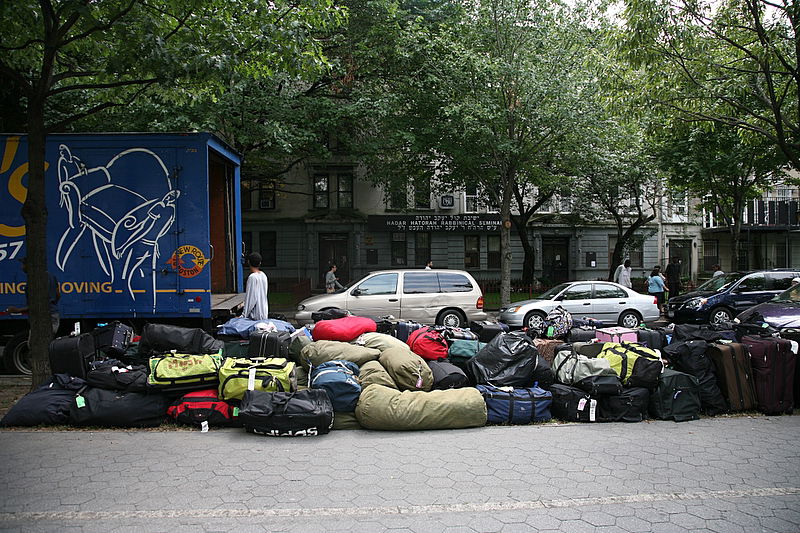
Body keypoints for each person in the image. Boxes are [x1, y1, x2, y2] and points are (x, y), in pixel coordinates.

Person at [6, 257, 61, 334]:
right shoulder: (51, 276)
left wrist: (17, 310)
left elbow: (37, 305)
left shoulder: (34, 280)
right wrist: (51, 304)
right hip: (53, 314)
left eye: (24, 264)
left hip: (42, 318)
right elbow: (58, 295)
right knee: (48, 341)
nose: (22, 267)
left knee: (38, 342)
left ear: (30, 266)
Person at [242, 252, 269, 321]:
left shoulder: (252, 277)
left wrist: (244, 315)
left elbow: (251, 298)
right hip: (264, 312)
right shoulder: (263, 275)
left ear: (248, 262)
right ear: (260, 263)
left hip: (255, 315)